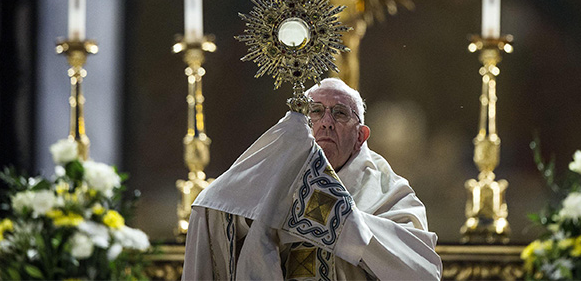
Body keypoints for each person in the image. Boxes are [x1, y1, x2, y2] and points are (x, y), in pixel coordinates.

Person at [183, 78, 441, 280]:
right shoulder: (271, 181)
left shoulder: (391, 193)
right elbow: (219, 214)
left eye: (340, 113)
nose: (326, 122)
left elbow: (422, 271)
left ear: (361, 136)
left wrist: (334, 216)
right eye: (315, 111)